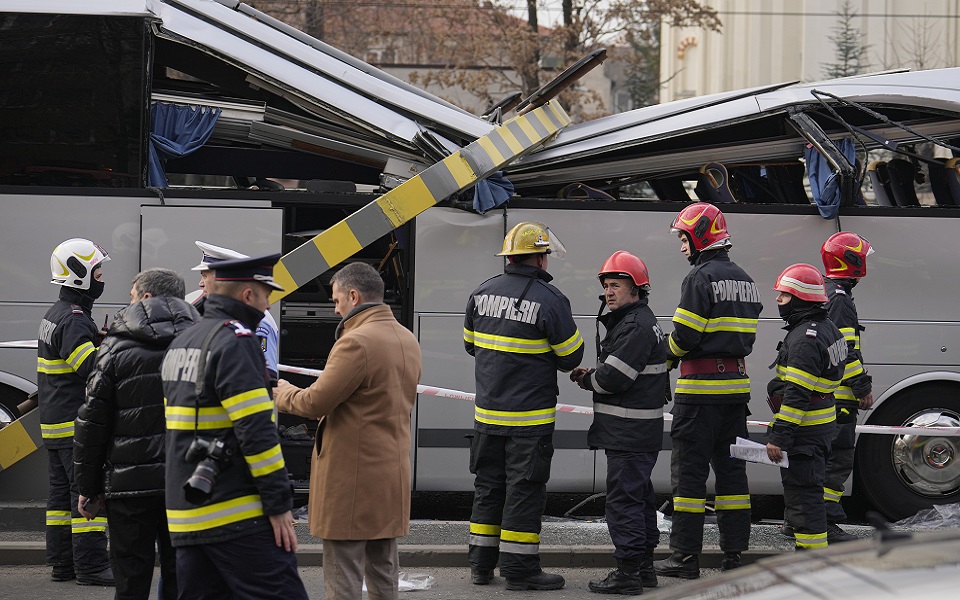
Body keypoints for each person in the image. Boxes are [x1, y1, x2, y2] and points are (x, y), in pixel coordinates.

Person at [160, 253, 307, 600]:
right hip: (235, 514)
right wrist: (279, 505)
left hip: (187, 513)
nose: (268, 302)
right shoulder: (237, 343)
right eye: (266, 293)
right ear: (248, 295)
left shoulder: (183, 340)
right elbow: (258, 434)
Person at [274, 262, 422, 600]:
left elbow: (314, 402)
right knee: (384, 570)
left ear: (353, 296)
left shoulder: (357, 341)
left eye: (336, 299)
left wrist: (282, 393)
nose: (335, 306)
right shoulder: (406, 337)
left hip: (352, 478)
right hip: (390, 472)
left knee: (344, 574)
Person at [463, 222, 585, 591]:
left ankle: (481, 566)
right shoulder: (550, 300)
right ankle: (520, 570)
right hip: (528, 421)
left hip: (486, 416)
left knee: (488, 486)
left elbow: (471, 345)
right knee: (524, 489)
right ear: (539, 257)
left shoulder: (481, 292)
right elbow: (570, 356)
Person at [74, 268, 199, 599]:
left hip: (129, 488)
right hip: (188, 485)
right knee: (182, 576)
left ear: (146, 298)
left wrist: (88, 488)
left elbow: (92, 424)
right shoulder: (205, 343)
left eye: (131, 297)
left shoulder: (114, 348)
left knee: (130, 578)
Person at [654, 203, 762, 580]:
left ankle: (684, 558)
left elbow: (683, 336)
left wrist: (662, 361)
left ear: (699, 236)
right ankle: (734, 554)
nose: (682, 247)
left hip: (699, 394)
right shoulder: (746, 279)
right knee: (733, 478)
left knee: (689, 477)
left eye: (684, 238)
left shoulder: (700, 278)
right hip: (736, 395)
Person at [570, 251, 668, 595]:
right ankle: (643, 569)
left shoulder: (635, 326)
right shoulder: (639, 321)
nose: (609, 292)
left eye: (616, 285)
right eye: (607, 286)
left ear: (636, 289)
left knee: (624, 503)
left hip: (629, 435)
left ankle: (628, 573)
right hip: (636, 434)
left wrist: (586, 380)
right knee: (639, 500)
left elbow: (613, 378)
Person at [38, 238, 114, 586]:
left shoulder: (54, 314)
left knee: (59, 499)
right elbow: (91, 369)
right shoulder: (74, 319)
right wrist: (113, 348)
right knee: (86, 493)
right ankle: (92, 566)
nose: (101, 278)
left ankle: (63, 565)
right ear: (80, 275)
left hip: (54, 421)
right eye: (98, 271)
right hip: (74, 424)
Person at [766, 263, 845, 550]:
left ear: (800, 299)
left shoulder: (804, 340)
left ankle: (810, 564)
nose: (778, 301)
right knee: (811, 495)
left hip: (804, 434)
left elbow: (797, 395)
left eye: (784, 296)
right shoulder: (830, 329)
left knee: (804, 500)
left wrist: (779, 436)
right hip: (821, 429)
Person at [819, 232, 874, 543]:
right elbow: (846, 351)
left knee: (821, 461)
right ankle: (825, 522)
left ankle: (803, 519)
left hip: (829, 395)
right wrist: (861, 387)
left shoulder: (830, 293)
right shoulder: (840, 300)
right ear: (851, 260)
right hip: (840, 398)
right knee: (836, 460)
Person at [188, 241, 280, 386]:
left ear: (222, 280)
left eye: (205, 276)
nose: (200, 283)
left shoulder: (259, 320)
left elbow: (264, 380)